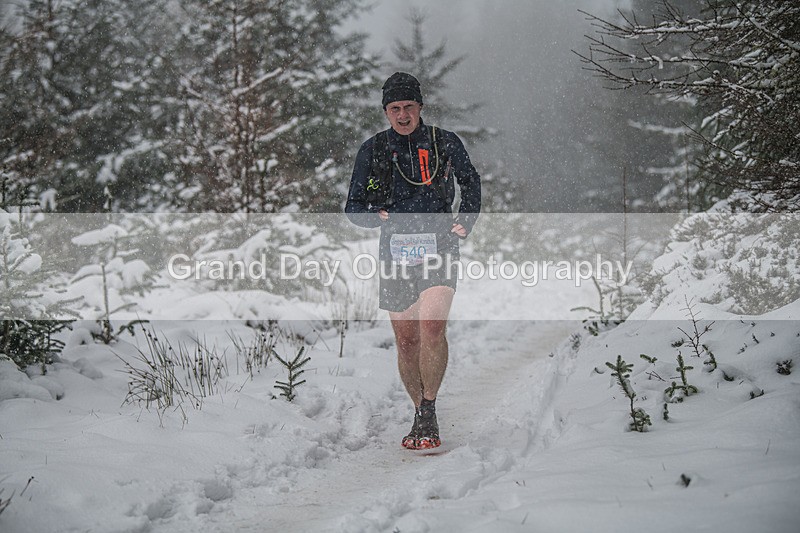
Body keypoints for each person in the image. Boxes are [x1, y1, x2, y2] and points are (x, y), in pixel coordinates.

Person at [345, 72, 481, 449]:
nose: (402, 115)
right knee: (407, 341)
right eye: (394, 109)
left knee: (432, 327)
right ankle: (420, 408)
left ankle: (429, 409)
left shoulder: (444, 143)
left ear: (420, 107)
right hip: (396, 250)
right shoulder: (372, 150)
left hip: (439, 244)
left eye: (408, 107)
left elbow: (471, 182)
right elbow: (353, 207)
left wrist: (464, 221)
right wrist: (377, 217)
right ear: (385, 112)